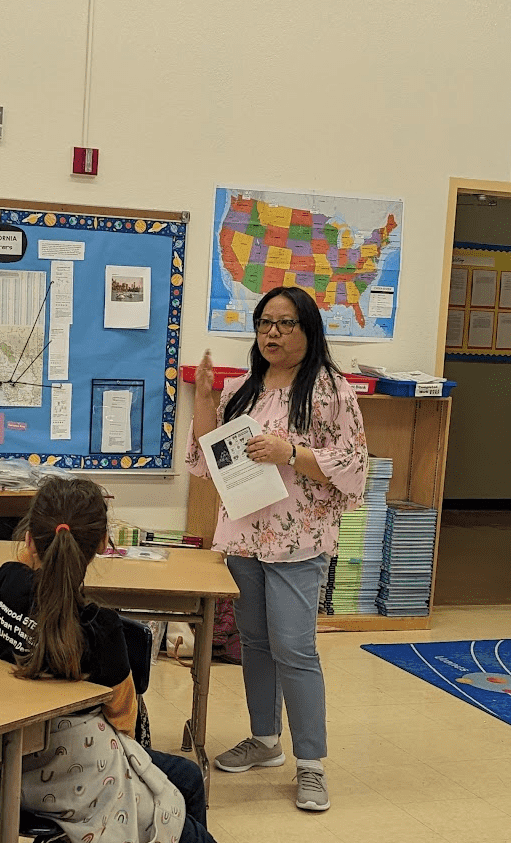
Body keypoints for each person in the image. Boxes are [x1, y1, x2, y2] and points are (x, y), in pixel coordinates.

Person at [186, 287, 367, 813]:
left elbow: (353, 467)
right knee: (255, 642)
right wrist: (202, 401)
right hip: (244, 534)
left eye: (285, 324)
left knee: (295, 648)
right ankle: (264, 740)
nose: (271, 333)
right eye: (265, 322)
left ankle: (311, 764)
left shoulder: (333, 391)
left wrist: (288, 451)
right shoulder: (244, 388)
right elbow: (207, 461)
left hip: (298, 538)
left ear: (309, 331)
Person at [0, 476, 215, 843]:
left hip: (8, 759)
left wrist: (28, 558)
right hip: (78, 775)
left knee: (185, 778)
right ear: (103, 543)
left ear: (28, 539)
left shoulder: (9, 581)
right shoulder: (99, 626)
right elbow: (124, 718)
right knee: (182, 803)